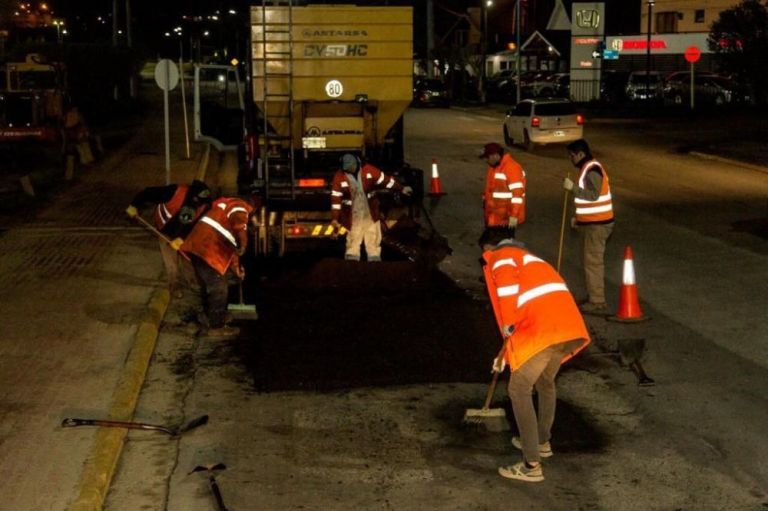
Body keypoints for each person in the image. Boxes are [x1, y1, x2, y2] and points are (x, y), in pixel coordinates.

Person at [480, 228, 590, 483]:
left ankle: (531, 465)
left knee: (519, 389)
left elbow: (508, 296)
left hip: (545, 331)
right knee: (544, 382)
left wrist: (507, 324)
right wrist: (506, 354)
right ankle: (541, 441)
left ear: (489, 247)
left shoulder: (502, 256)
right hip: (567, 328)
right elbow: (532, 303)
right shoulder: (531, 260)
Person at [180, 196, 255, 337]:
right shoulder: (239, 205)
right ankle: (216, 327)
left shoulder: (223, 213)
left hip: (199, 247)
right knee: (219, 287)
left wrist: (237, 270)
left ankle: (210, 317)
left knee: (210, 284)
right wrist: (244, 242)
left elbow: (233, 252)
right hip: (206, 248)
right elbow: (240, 225)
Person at [126, 180, 212, 298]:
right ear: (192, 195)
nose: (199, 204)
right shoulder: (174, 192)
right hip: (166, 229)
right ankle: (174, 285)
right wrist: (134, 205)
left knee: (188, 258)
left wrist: (181, 239)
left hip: (185, 232)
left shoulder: (205, 205)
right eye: (198, 201)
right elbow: (148, 192)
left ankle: (192, 282)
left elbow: (197, 224)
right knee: (171, 261)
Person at [562, 139, 614, 314]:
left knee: (593, 263)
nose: (571, 159)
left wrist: (573, 188)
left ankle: (597, 301)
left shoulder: (592, 170)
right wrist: (578, 219)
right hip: (593, 223)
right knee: (591, 262)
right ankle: (594, 296)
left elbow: (593, 196)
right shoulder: (588, 168)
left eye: (572, 155)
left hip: (598, 225)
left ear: (581, 154)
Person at [330, 154, 413, 261]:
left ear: (356, 164)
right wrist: (335, 218)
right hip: (353, 215)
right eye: (347, 169)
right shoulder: (339, 177)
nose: (349, 170)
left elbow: (386, 181)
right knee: (353, 241)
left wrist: (401, 188)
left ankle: (374, 263)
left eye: (350, 168)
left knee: (373, 238)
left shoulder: (369, 171)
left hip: (370, 213)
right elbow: (336, 199)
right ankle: (351, 264)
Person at [480, 142, 526, 236]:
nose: (486, 161)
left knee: (500, 246)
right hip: (494, 216)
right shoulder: (493, 167)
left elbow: (517, 195)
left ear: (495, 156)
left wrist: (514, 216)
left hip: (505, 219)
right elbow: (490, 189)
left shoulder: (512, 168)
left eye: (487, 158)